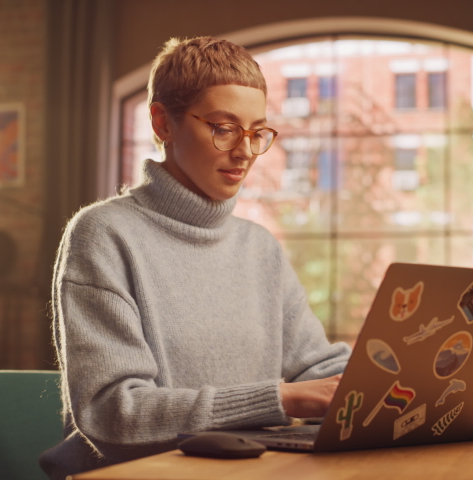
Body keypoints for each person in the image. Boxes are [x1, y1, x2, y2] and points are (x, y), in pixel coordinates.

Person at [39, 36, 351, 479]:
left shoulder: (258, 247)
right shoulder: (103, 235)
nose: (244, 151)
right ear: (162, 123)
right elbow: (113, 413)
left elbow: (319, 368)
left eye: (256, 131)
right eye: (224, 128)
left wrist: (388, 378)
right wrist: (281, 399)